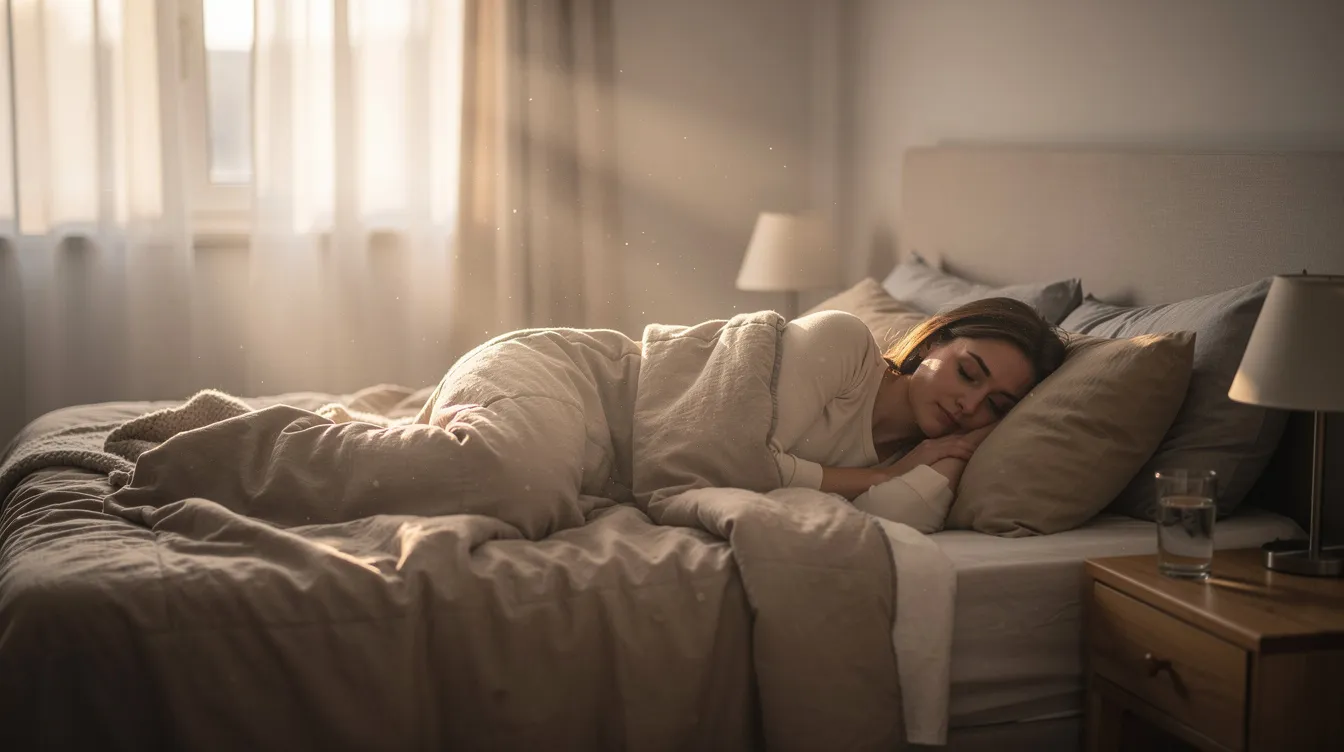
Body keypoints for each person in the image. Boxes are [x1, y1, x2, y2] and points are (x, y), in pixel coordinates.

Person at [772, 297, 1068, 532]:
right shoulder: (843, 341)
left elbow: (885, 522)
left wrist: (977, 440)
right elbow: (740, 460)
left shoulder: (925, 457)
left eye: (996, 405)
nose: (971, 405)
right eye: (967, 373)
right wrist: (883, 476)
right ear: (932, 342)